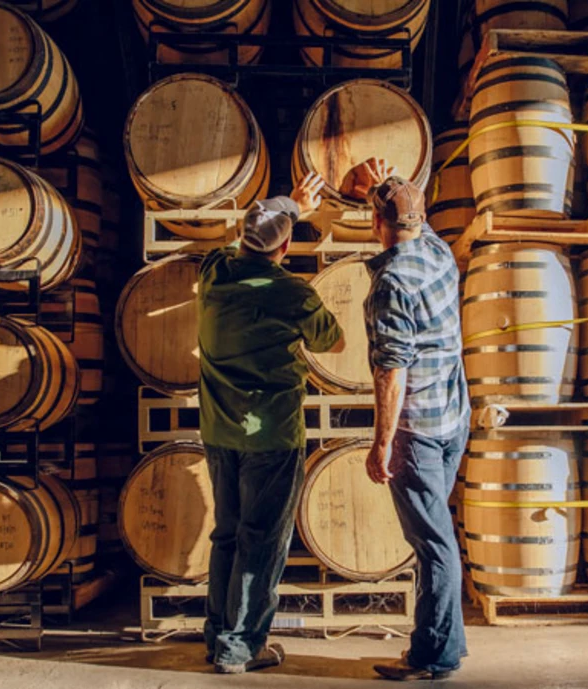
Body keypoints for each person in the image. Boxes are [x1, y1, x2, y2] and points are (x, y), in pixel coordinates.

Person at [197, 172, 345, 674]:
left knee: (227, 534)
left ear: (243, 237)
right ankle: (241, 648)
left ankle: (217, 636)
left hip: (218, 431)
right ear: (285, 246)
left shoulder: (214, 273)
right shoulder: (293, 294)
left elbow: (230, 243)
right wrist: (297, 210)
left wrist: (288, 206)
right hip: (272, 436)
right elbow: (333, 342)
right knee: (260, 542)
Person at [360, 164, 471, 681]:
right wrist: (385, 184)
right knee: (435, 540)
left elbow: (391, 372)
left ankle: (435, 656)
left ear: (377, 222)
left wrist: (382, 444)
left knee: (434, 545)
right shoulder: (437, 250)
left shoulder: (392, 283)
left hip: (417, 433)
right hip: (453, 418)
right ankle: (433, 643)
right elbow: (406, 214)